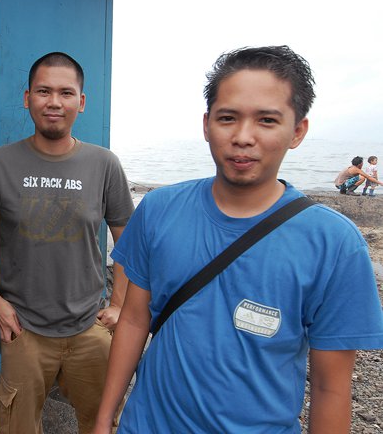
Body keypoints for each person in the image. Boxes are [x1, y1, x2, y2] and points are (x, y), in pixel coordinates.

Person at [93, 46, 383, 433]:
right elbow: (133, 320)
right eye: (227, 118)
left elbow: (331, 388)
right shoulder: (159, 209)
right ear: (206, 124)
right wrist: (104, 418)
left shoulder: (334, 244)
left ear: (297, 131)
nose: (243, 137)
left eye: (267, 120)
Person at [0, 52, 135, 434]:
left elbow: (128, 241)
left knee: (104, 424)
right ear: (27, 97)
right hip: (23, 330)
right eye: (44, 91)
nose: (54, 102)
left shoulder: (104, 164)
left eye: (66, 92)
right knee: (17, 426)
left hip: (90, 328)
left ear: (81, 101)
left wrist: (118, 305)